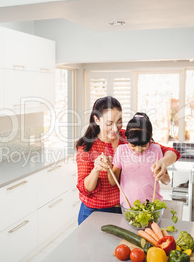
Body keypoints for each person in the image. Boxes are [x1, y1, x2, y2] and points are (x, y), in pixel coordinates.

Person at [75, 96, 180, 225]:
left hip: (125, 210)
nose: (115, 129)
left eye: (119, 121)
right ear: (97, 120)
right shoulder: (86, 148)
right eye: (109, 123)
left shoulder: (129, 136)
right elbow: (85, 188)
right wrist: (96, 169)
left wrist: (163, 162)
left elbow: (170, 152)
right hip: (94, 212)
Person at [110, 112, 170, 208]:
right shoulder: (121, 150)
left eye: (143, 145)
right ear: (127, 138)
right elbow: (113, 181)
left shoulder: (156, 149)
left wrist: (161, 174)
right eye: (133, 145)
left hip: (153, 206)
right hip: (128, 207)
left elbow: (166, 181)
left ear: (150, 137)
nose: (138, 150)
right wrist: (108, 167)